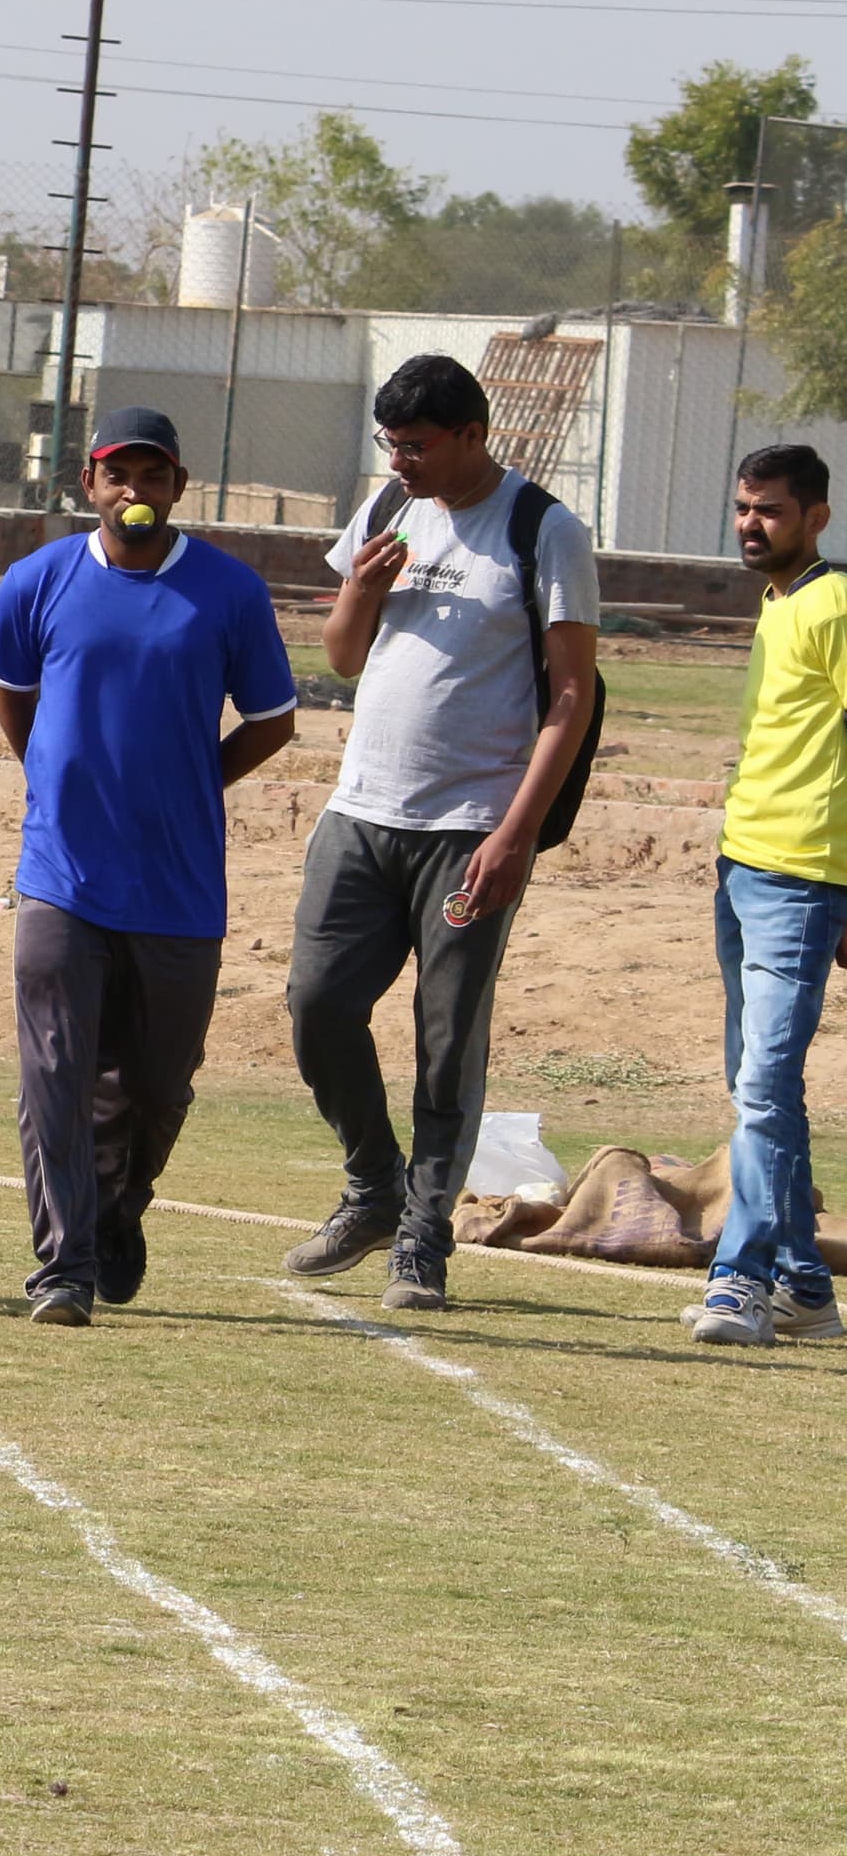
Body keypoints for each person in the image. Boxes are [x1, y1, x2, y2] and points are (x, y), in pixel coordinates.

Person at [282, 353, 600, 1311]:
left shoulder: (545, 530)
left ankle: (423, 1237)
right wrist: (362, 592)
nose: (402, 461)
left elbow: (573, 694)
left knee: (446, 1035)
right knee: (316, 1004)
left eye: (417, 446)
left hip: (470, 826)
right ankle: (374, 1185)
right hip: (362, 811)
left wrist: (516, 833)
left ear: (473, 434)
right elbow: (341, 657)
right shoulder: (386, 511)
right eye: (391, 445)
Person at [0, 408, 298, 1324]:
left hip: (178, 885)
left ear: (178, 487)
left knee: (156, 1088)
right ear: (89, 484)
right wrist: (53, 779)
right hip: (60, 875)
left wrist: (197, 782)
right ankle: (64, 1268)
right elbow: (15, 699)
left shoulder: (229, 592)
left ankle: (120, 1207)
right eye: (118, 477)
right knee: (56, 1072)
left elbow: (274, 720)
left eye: (152, 477)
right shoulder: (35, 582)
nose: (135, 494)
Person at [685, 445, 847, 1347]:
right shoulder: (778, 601)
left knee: (764, 1086)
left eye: (771, 511)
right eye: (744, 508)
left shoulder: (834, 603)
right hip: (743, 869)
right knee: (759, 1090)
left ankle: (738, 1280)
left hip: (806, 878)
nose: (751, 525)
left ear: (816, 516)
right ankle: (805, 1290)